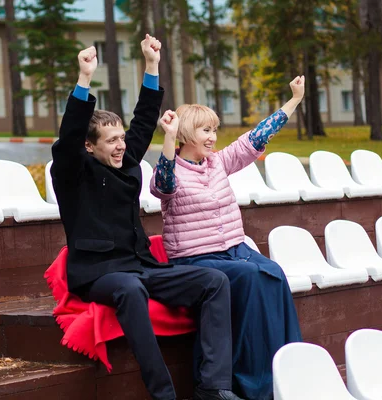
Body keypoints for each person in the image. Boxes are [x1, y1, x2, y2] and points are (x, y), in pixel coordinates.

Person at [50, 35, 244, 400]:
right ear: (89, 147)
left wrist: (152, 65)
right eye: (111, 141)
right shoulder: (72, 172)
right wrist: (84, 78)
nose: (122, 145)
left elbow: (143, 122)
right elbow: (70, 131)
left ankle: (214, 388)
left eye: (121, 138)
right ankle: (164, 393)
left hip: (140, 265)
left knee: (215, 282)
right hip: (99, 273)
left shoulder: (125, 164)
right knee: (130, 288)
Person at [149, 77, 306, 400]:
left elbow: (256, 137)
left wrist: (294, 100)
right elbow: (162, 183)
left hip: (234, 251)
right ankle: (248, 381)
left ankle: (288, 370)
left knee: (274, 274)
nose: (213, 137)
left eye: (214, 130)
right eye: (206, 130)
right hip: (197, 258)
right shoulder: (172, 172)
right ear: (188, 134)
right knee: (250, 277)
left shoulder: (218, 163)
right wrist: (167, 137)